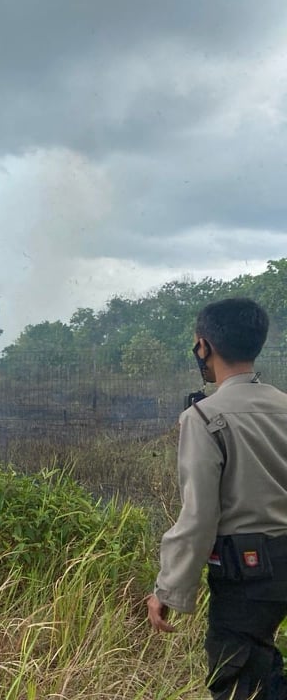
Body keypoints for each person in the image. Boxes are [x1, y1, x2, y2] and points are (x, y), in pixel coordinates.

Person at [147, 298, 287, 699]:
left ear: (204, 346)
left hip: (248, 573)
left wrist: (167, 590)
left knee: (242, 678)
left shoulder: (205, 417)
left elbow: (199, 517)